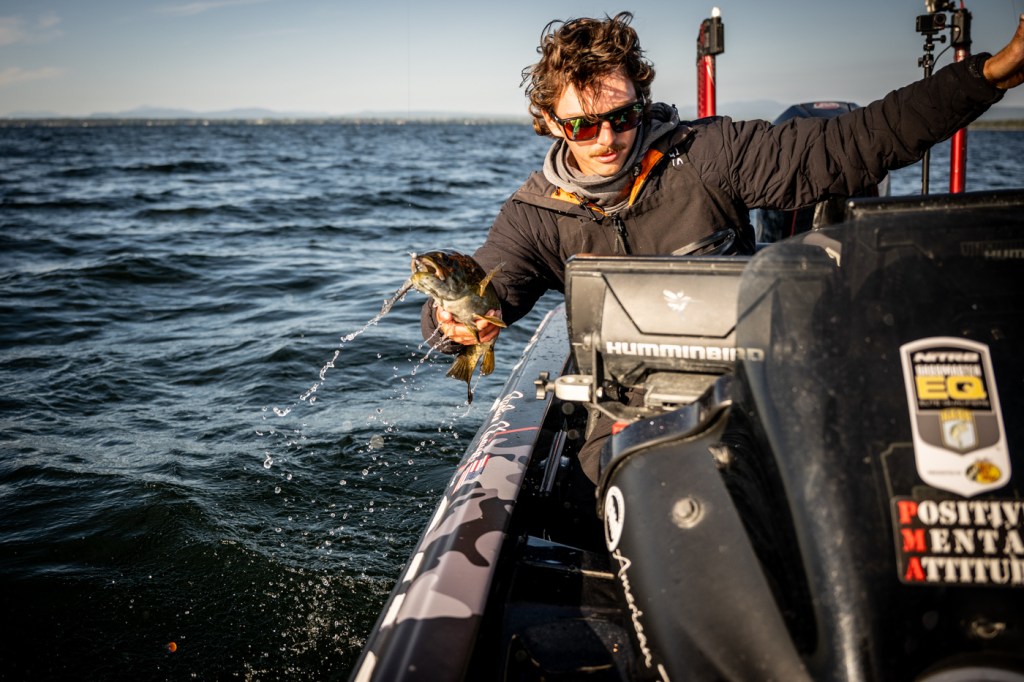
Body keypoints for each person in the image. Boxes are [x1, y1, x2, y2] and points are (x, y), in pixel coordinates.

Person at [423, 11, 1024, 482]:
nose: (606, 138)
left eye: (623, 117)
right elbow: (481, 293)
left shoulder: (710, 154)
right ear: (551, 122)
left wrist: (990, 75)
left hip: (748, 390)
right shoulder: (534, 216)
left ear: (641, 102)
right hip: (621, 416)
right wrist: (451, 324)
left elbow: (852, 144)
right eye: (583, 125)